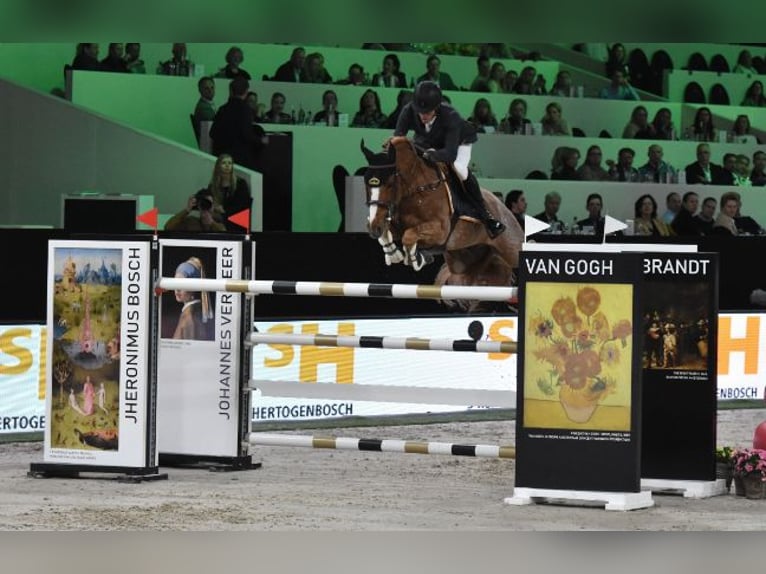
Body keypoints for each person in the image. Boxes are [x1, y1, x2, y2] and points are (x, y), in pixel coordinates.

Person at [392, 81, 504, 238]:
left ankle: (486, 216)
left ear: (436, 108)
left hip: (459, 142)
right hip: (428, 141)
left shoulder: (450, 116)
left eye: (428, 112)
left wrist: (431, 154)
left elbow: (450, 154)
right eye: (420, 111)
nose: (423, 116)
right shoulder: (409, 110)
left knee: (459, 169)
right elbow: (398, 139)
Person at [209, 77, 265, 170]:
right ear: (246, 91)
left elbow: (212, 133)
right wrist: (261, 140)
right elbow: (247, 135)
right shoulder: (245, 110)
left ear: (231, 90)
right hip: (240, 159)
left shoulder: (223, 109)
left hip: (221, 156)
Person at [205, 153, 252, 232]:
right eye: (224, 163)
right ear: (218, 166)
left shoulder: (240, 183)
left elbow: (242, 205)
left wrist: (224, 211)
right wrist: (215, 207)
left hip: (236, 219)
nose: (227, 165)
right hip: (219, 218)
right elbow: (207, 198)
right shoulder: (213, 186)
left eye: (229, 163)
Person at [171, 257, 214, 341]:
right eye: (174, 283)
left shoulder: (189, 316)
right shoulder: (194, 312)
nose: (177, 289)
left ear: (193, 287)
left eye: (182, 284)